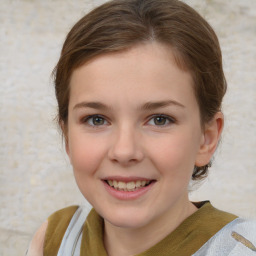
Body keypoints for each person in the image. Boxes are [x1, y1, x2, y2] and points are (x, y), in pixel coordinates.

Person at [27, 0, 256, 255]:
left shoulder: (241, 249)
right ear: (67, 136)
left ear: (206, 138)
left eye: (159, 119)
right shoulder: (56, 239)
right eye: (97, 119)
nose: (124, 151)